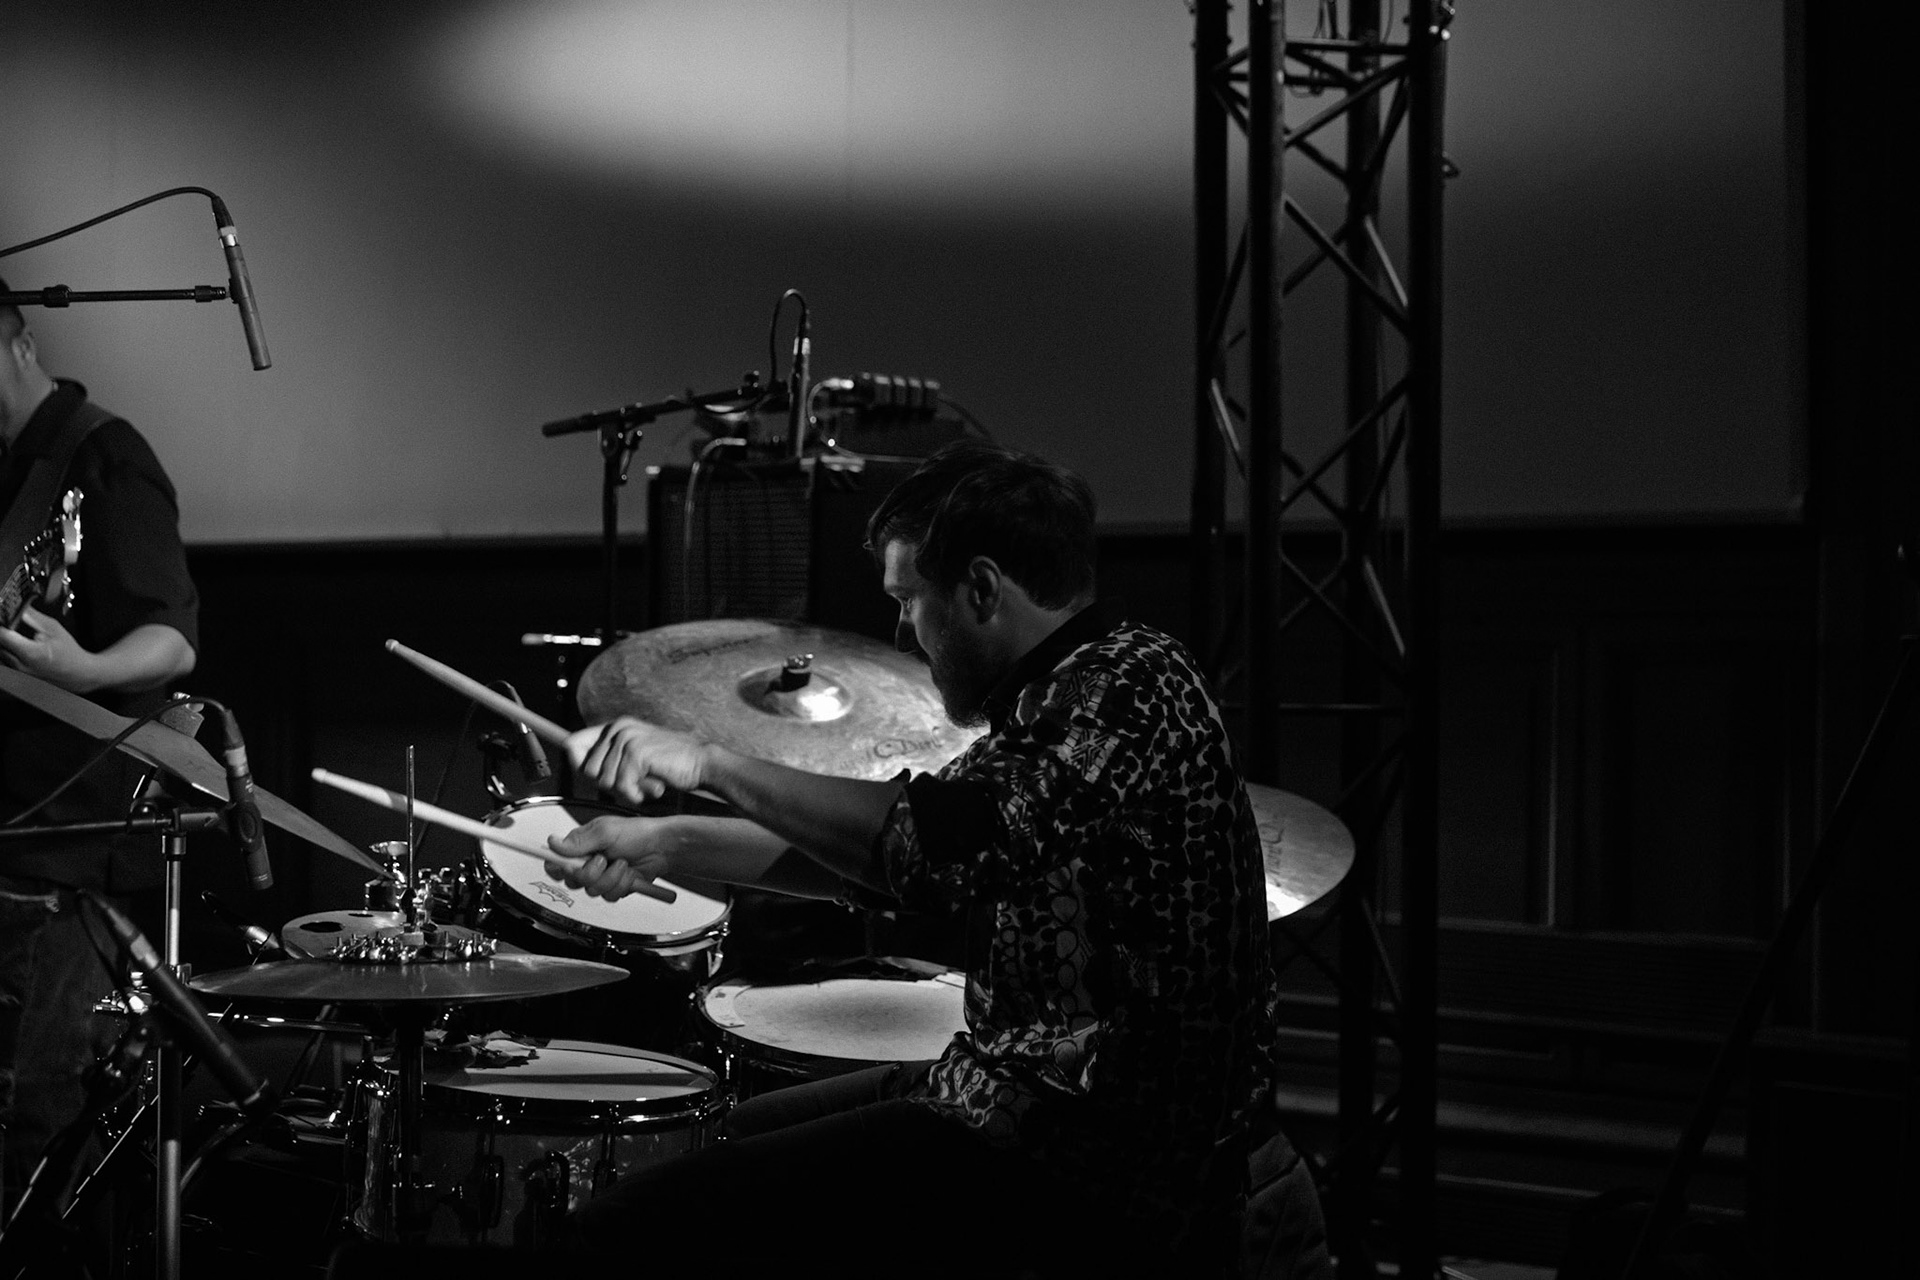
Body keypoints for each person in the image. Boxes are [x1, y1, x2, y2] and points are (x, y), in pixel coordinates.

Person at [548, 441, 1290, 1276]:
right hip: (1013, 1096)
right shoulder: (1057, 698)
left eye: (909, 599)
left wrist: (707, 762)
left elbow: (924, 851)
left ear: (982, 589)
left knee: (630, 1226)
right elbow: (872, 863)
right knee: (730, 1132)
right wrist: (665, 842)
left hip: (1092, 1155)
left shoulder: (1123, 689)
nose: (902, 631)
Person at [0, 280, 199, 1213]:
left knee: (28, 1113)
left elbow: (172, 638)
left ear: (20, 343)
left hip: (60, 844)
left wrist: (80, 669)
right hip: (10, 830)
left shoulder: (104, 456)